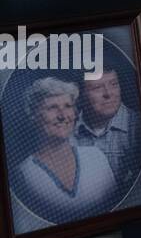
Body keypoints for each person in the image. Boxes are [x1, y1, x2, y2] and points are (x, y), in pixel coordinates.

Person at [12, 78, 119, 226]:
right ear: (34, 116)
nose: (62, 115)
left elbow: (116, 211)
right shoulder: (24, 173)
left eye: (68, 106)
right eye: (52, 108)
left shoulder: (96, 157)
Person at [74, 57, 141, 198]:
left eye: (113, 84)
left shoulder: (140, 127)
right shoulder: (66, 130)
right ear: (80, 95)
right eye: (97, 88)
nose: (108, 94)